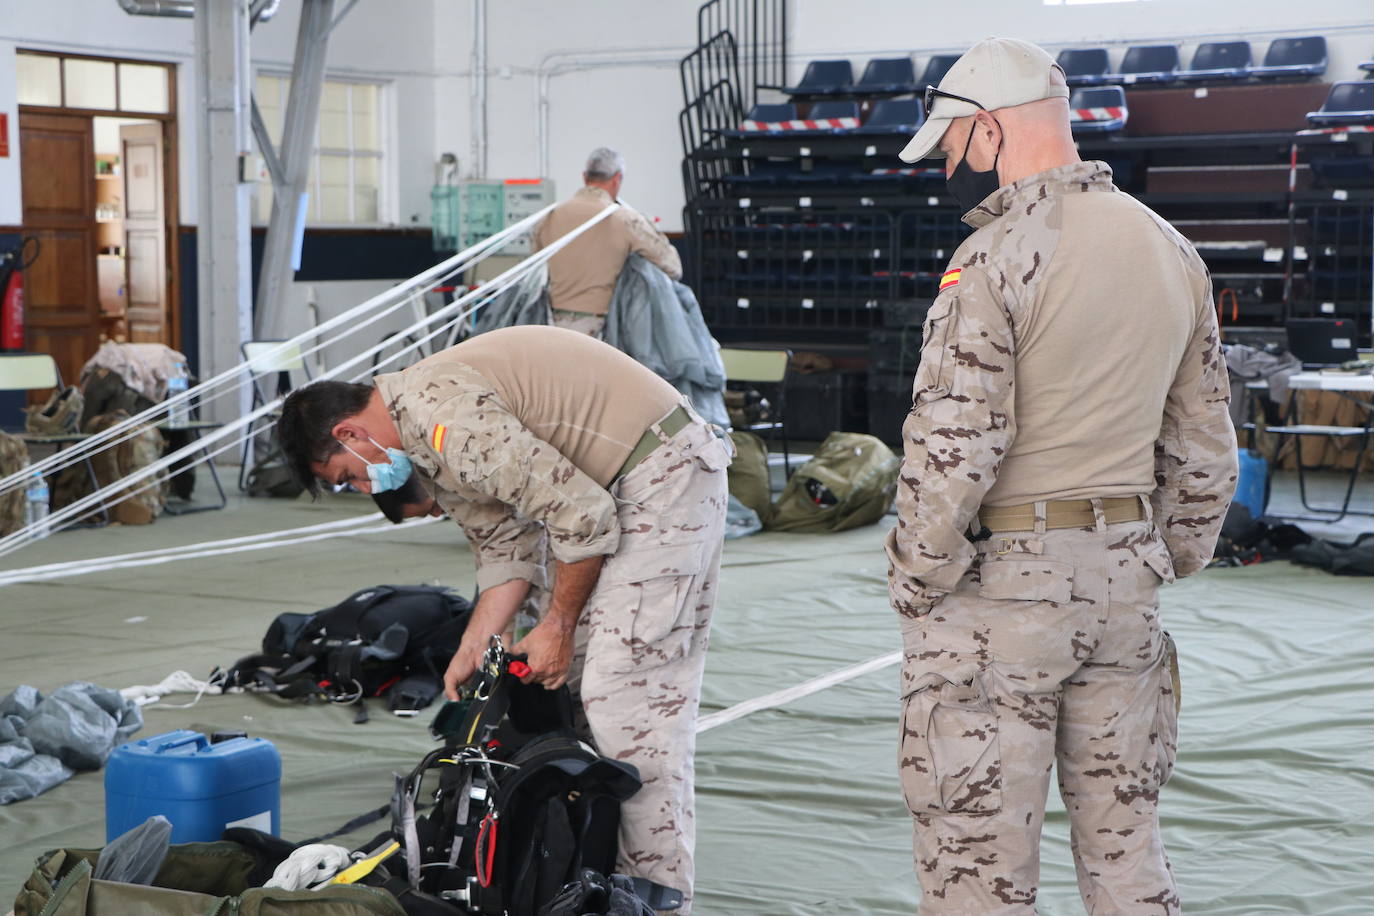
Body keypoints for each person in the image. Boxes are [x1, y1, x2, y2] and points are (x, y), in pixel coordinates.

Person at [885, 38, 1236, 914]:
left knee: (976, 863)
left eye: (956, 148)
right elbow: (1205, 446)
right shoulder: (1171, 251)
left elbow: (955, 443)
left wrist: (917, 572)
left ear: (993, 130)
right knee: (1125, 846)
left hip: (1002, 595)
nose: (951, 171)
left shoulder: (994, 261)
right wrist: (1168, 554)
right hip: (1126, 583)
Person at [277, 325, 731, 911]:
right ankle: (585, 881)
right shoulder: (424, 436)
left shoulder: (446, 421)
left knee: (627, 702)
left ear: (350, 433)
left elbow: (583, 516)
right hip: (624, 487)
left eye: (350, 475)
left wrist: (559, 626)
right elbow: (504, 547)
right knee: (562, 695)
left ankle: (656, 901)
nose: (367, 487)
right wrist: (475, 643)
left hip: (660, 478)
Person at [533, 147, 682, 338]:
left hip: (550, 324)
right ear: (617, 179)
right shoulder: (627, 220)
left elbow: (537, 269)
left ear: (584, 177)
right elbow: (673, 267)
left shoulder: (548, 218)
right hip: (601, 331)